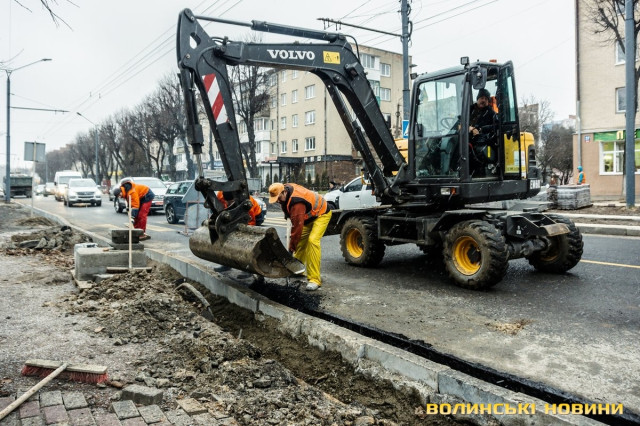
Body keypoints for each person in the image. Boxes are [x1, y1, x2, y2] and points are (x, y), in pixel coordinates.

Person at [269, 182, 332, 291]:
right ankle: (298, 270)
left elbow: (297, 229)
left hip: (321, 213)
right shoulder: (286, 190)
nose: (278, 201)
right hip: (308, 217)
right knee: (300, 241)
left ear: (284, 192)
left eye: (279, 198)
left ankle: (314, 279)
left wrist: (291, 249)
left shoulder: (297, 203)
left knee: (312, 241)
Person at [213, 191, 265, 274]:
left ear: (235, 198)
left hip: (255, 216)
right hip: (233, 214)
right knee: (228, 238)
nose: (228, 203)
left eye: (231, 202)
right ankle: (227, 264)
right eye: (227, 201)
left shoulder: (246, 202)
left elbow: (250, 222)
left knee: (248, 242)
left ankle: (249, 268)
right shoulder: (220, 195)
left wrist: (245, 233)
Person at [469, 88, 497, 174]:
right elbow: (459, 123)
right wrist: (470, 128)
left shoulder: (490, 113)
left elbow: (496, 126)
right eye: (481, 98)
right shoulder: (469, 110)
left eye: (486, 99)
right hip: (467, 138)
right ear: (478, 99)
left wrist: (481, 129)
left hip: (482, 141)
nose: (483, 100)